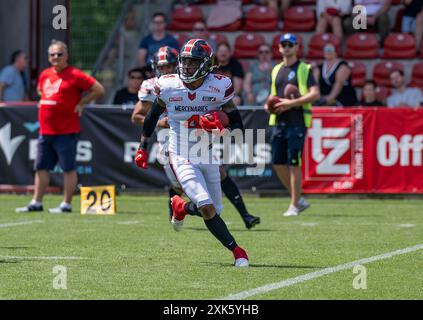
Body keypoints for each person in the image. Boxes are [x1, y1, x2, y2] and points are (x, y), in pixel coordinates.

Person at [134, 39, 250, 267]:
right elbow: (151, 117)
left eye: (193, 62)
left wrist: (219, 125)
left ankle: (182, 207)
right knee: (207, 208)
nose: (186, 67)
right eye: (184, 62)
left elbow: (237, 126)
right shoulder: (167, 85)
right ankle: (238, 251)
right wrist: (142, 147)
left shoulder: (219, 85)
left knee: (214, 209)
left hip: (206, 153)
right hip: (181, 154)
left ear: (206, 64)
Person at [16, 40, 105, 213]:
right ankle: (36, 202)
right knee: (41, 167)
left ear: (66, 56)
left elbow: (99, 89)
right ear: (49, 57)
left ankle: (66, 204)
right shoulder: (45, 74)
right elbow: (42, 91)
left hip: (67, 130)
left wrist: (82, 102)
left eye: (59, 54)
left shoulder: (75, 74)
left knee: (68, 168)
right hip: (46, 130)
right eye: (52, 54)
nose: (56, 57)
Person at [265, 33, 320, 216]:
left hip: (297, 122)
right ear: (279, 48)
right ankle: (298, 198)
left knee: (294, 163)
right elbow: (273, 95)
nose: (287, 47)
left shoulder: (305, 68)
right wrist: (269, 106)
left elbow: (315, 94)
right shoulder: (276, 69)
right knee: (277, 163)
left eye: (290, 44)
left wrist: (290, 104)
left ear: (297, 47)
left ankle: (294, 204)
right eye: (283, 44)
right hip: (279, 122)